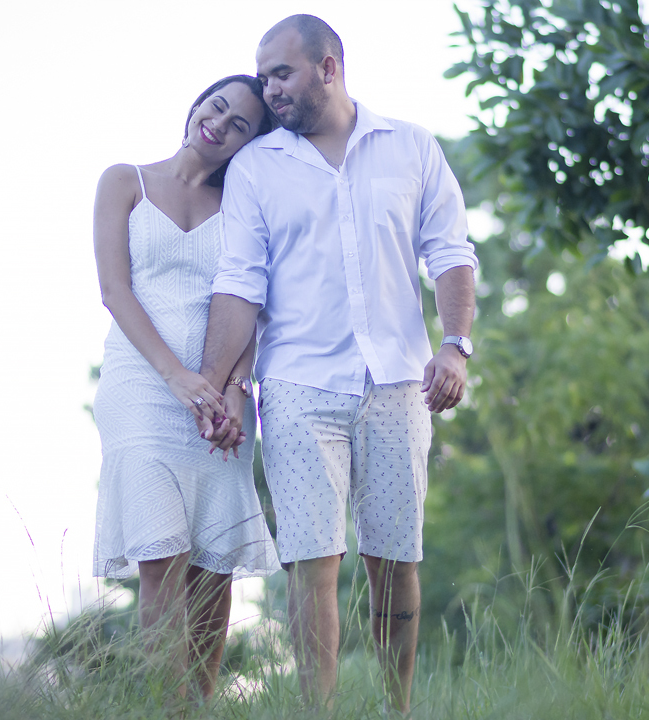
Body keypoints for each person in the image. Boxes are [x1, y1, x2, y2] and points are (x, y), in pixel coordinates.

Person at [199, 16, 478, 715]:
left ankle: (396, 708)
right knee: (310, 563)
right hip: (296, 384)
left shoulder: (410, 147)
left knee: (396, 560)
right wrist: (215, 386)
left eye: (280, 73)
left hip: (398, 382)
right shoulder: (258, 168)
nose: (269, 90)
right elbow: (239, 282)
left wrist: (455, 345)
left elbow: (450, 252)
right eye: (263, 77)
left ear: (328, 67)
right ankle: (315, 713)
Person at [90, 74, 280, 704]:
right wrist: (177, 377)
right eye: (216, 107)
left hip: (220, 399)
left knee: (213, 570)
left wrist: (232, 389)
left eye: (239, 125)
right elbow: (115, 291)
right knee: (160, 557)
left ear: (248, 143)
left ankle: (198, 707)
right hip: (143, 389)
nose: (219, 125)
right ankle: (165, 711)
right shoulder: (125, 182)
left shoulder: (245, 207)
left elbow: (255, 301)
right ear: (198, 103)